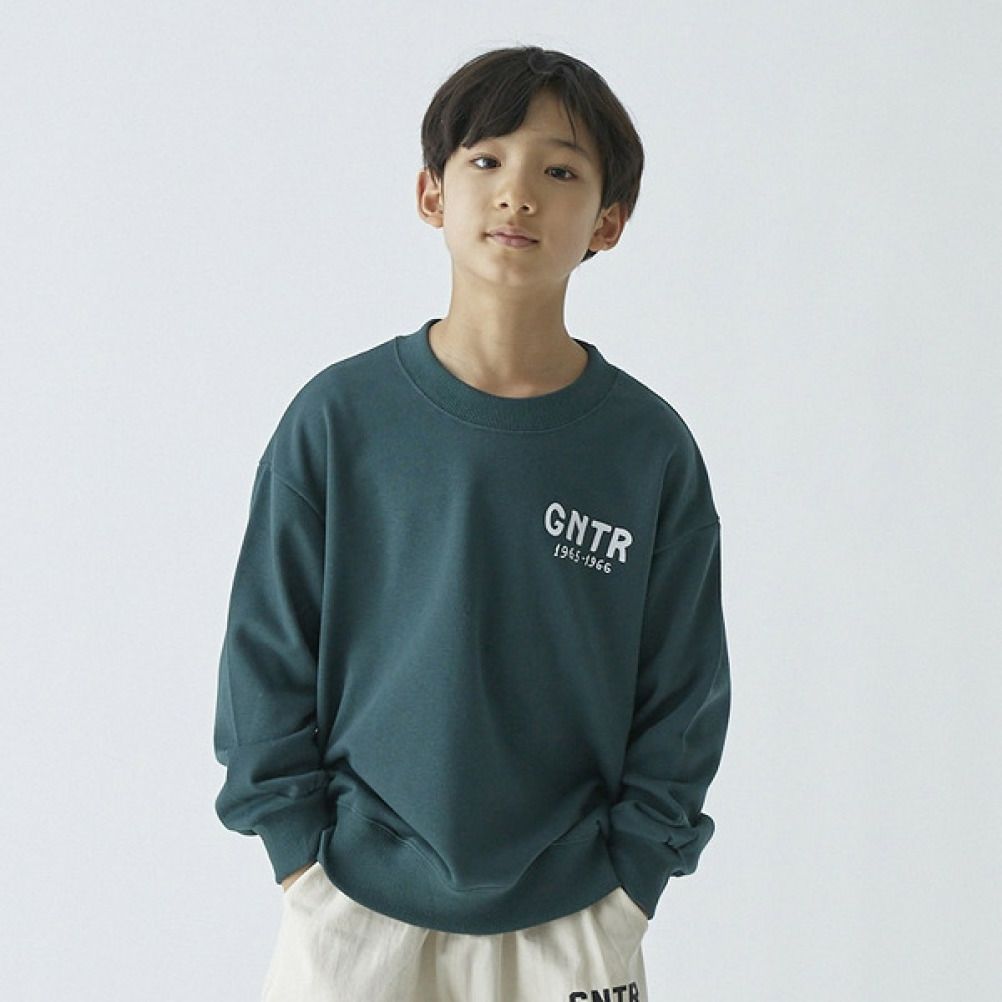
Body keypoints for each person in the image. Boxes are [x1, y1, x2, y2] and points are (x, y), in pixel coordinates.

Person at [213, 44, 731, 1002]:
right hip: (351, 911)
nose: (517, 193)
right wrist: (300, 859)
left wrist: (631, 884)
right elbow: (264, 658)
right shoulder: (340, 420)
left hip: (575, 916)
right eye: (486, 159)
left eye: (560, 171)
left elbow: (683, 692)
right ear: (431, 194)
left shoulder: (647, 449)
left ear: (608, 221)